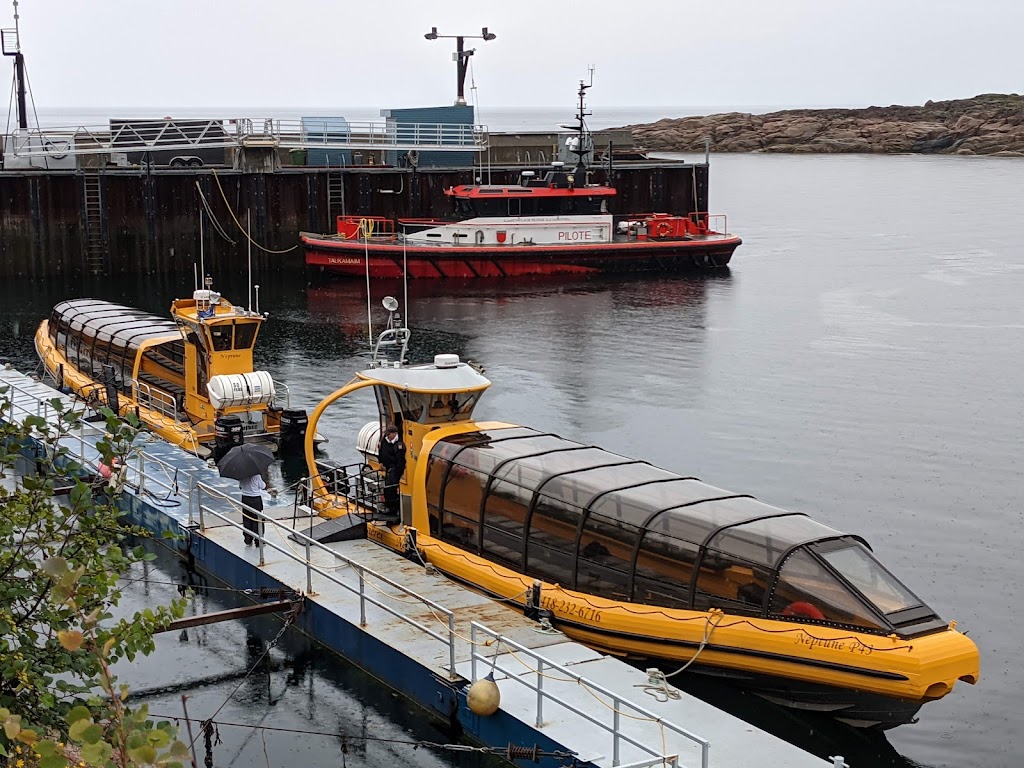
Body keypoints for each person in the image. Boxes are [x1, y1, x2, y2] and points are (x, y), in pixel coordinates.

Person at [377, 424, 406, 520]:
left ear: (395, 433)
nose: (388, 436)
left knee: (391, 489)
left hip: (394, 469)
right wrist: (381, 462)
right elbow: (381, 452)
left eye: (390, 434)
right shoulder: (384, 440)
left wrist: (396, 474)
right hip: (387, 468)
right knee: (387, 489)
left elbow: (400, 462)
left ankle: (393, 509)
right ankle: (389, 507)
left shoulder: (399, 445)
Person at [239, 469, 270, 546]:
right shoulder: (257, 475)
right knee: (258, 519)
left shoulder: (242, 474)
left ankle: (248, 539)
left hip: (245, 498)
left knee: (247, 519)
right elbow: (263, 486)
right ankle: (259, 541)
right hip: (255, 499)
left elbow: (240, 486)